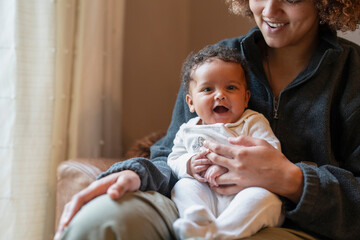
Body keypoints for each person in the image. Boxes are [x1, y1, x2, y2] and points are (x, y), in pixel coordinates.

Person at [54, 0, 360, 239]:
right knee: (103, 221)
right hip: (191, 202)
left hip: (293, 222)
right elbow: (170, 153)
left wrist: (291, 180)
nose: (270, 10)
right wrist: (137, 174)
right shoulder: (218, 61)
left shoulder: (353, 73)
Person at [168, 44, 284, 239]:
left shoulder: (251, 121)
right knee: (183, 186)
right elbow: (173, 158)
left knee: (264, 199)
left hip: (244, 193)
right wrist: (188, 164)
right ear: (190, 102)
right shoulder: (188, 130)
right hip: (205, 194)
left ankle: (217, 234)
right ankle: (197, 221)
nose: (220, 95)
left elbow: (272, 153)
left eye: (231, 87)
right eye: (207, 89)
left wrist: (231, 166)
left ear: (246, 98)